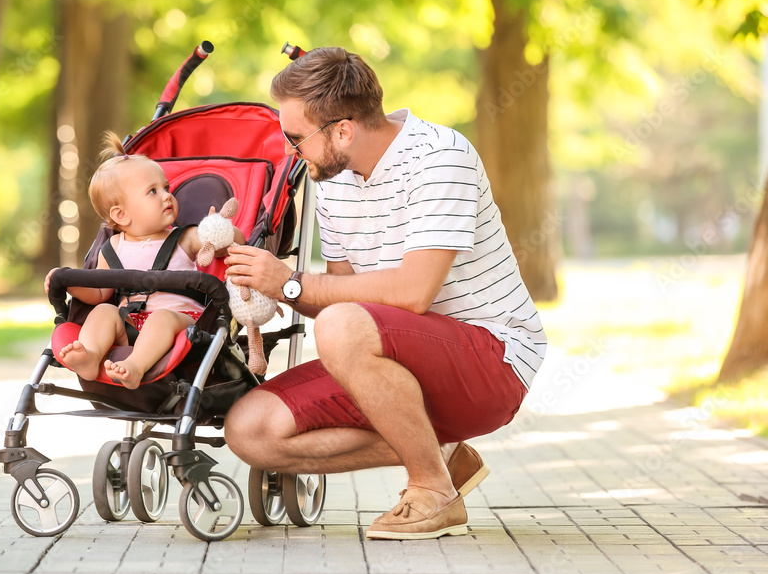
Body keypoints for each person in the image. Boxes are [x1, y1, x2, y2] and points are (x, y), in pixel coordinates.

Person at [223, 47, 547, 540]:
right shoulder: (331, 181)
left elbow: (414, 293)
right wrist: (272, 285)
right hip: (393, 359)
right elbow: (338, 294)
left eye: (296, 138)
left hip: (491, 358)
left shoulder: (441, 157)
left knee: (341, 324)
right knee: (249, 429)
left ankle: (432, 490)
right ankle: (439, 453)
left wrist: (292, 282)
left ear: (343, 130)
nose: (290, 152)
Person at [44, 140, 242, 389]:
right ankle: (91, 356)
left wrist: (219, 231)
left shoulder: (185, 237)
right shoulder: (113, 248)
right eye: (153, 191)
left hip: (180, 323)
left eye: (166, 187)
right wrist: (69, 283)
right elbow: (98, 293)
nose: (167, 195)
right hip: (130, 325)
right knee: (103, 312)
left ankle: (135, 366)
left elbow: (237, 243)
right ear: (121, 215)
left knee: (160, 318)